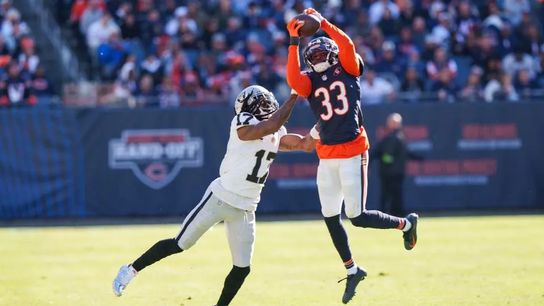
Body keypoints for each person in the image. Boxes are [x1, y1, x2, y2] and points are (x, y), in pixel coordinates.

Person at [112, 85, 315, 306]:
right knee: (180, 243)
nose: (268, 103)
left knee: (242, 268)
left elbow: (305, 144)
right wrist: (295, 94)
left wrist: (328, 123)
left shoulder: (276, 132)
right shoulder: (242, 122)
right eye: (262, 100)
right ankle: (130, 270)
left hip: (247, 207)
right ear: (251, 106)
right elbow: (271, 125)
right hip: (220, 197)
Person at [286, 8, 419, 304]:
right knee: (330, 216)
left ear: (332, 54)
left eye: (322, 54)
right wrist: (293, 41)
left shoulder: (348, 67)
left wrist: (323, 23)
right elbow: (294, 79)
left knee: (356, 217)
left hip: (352, 149)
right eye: (314, 56)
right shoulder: (309, 81)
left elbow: (346, 46)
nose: (318, 58)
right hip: (326, 153)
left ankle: (406, 224)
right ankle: (352, 269)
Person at [372, 113, 423, 216]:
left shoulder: (399, 137)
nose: (394, 124)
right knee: (388, 198)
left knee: (395, 198)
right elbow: (383, 155)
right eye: (392, 122)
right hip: (389, 174)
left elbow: (405, 153)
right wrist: (388, 161)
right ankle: (383, 218)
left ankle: (395, 218)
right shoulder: (390, 138)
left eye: (396, 123)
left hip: (395, 174)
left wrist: (418, 157)